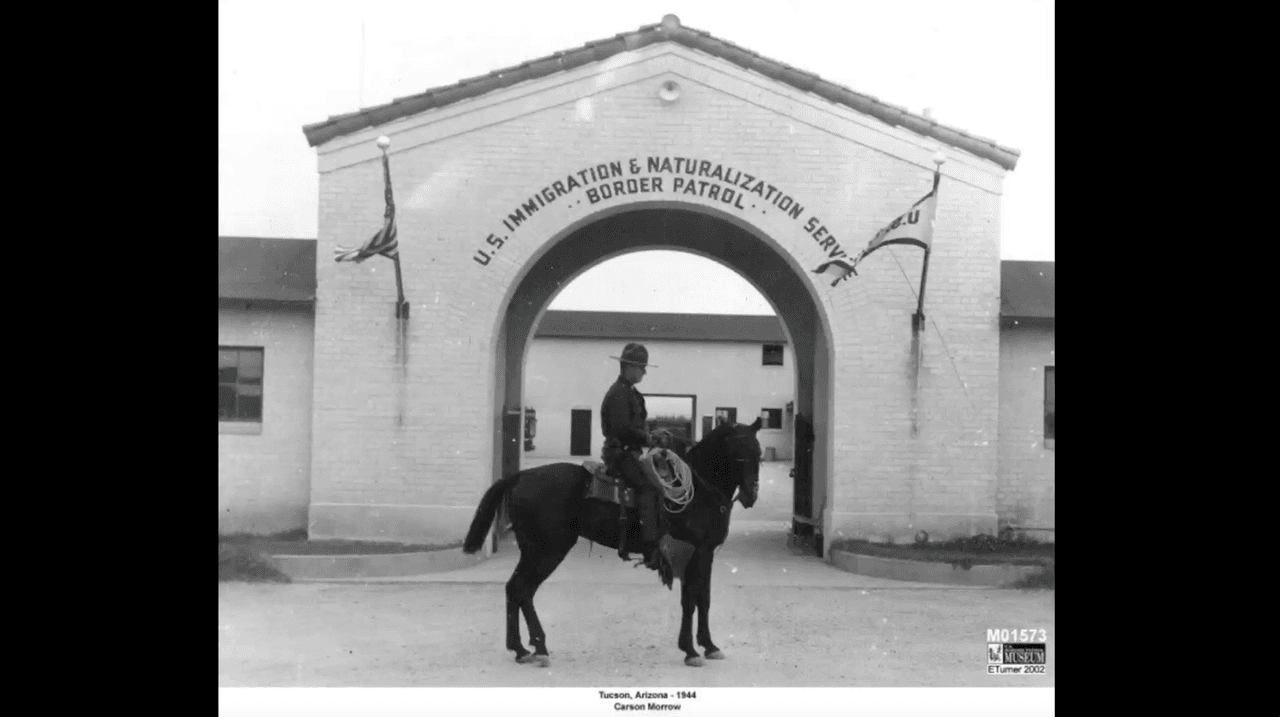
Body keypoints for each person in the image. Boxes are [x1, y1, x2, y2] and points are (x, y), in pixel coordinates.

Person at [600, 343, 666, 570]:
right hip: (620, 454)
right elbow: (622, 431)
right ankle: (650, 548)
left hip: (630, 451)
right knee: (650, 487)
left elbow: (634, 427)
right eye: (641, 367)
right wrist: (648, 438)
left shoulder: (629, 392)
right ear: (629, 367)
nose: (644, 372)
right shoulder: (619, 394)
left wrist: (651, 434)